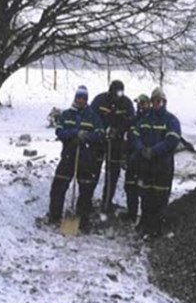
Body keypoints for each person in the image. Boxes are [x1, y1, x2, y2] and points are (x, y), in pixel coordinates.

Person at [48, 85, 104, 232]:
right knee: (59, 184)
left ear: (87, 100)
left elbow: (100, 134)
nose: (80, 100)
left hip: (86, 157)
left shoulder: (93, 116)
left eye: (83, 98)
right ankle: (54, 216)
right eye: (78, 97)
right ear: (75, 98)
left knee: (86, 188)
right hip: (68, 155)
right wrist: (74, 133)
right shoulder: (66, 115)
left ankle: (82, 219)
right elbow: (59, 131)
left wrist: (86, 137)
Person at [132, 87, 181, 237]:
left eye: (159, 101)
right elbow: (135, 135)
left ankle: (158, 228)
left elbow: (172, 140)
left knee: (160, 197)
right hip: (146, 164)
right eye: (154, 101)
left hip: (163, 165)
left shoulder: (171, 120)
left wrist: (154, 151)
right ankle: (145, 225)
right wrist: (141, 149)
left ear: (164, 102)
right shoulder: (145, 119)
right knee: (146, 195)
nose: (156, 104)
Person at [90, 80, 135, 213]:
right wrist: (101, 130)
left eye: (120, 93)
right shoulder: (100, 100)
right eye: (115, 93)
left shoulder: (126, 103)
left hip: (116, 143)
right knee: (93, 171)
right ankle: (86, 200)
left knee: (112, 174)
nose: (117, 95)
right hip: (99, 141)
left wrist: (118, 130)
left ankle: (107, 202)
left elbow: (130, 120)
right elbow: (92, 117)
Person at [122, 94, 151, 223]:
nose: (140, 106)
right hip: (131, 158)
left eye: (143, 103)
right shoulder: (132, 120)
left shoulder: (151, 120)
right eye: (138, 103)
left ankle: (145, 216)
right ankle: (131, 213)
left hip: (145, 159)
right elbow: (126, 138)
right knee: (130, 187)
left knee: (144, 189)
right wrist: (124, 156)